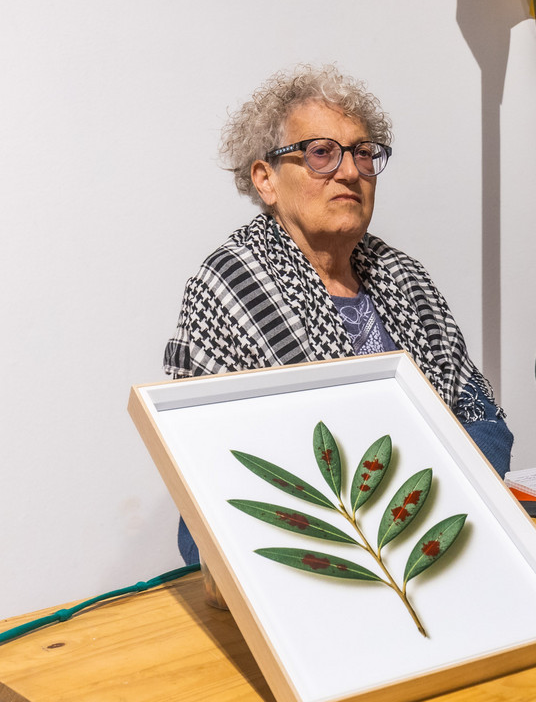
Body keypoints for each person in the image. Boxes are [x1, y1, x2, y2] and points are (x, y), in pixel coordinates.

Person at [166, 65, 513, 564]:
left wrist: (421, 513)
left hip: (433, 542)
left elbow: (484, 422)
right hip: (303, 557)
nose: (350, 171)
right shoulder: (230, 285)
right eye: (321, 153)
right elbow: (216, 481)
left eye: (364, 153)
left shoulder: (405, 277)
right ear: (265, 178)